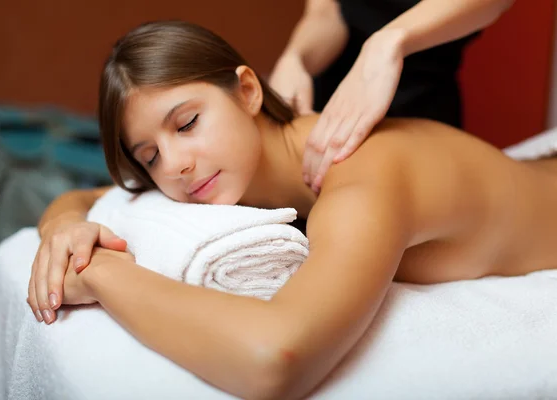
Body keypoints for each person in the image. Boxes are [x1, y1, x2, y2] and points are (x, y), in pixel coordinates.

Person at [28, 21, 556, 400]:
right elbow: (86, 196)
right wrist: (64, 228)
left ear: (249, 91)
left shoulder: (362, 181)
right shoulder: (249, 168)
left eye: (187, 124)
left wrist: (100, 276)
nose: (177, 166)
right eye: (151, 156)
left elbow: (274, 360)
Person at [269, 0, 515, 192]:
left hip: (422, 104)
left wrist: (388, 44)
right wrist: (296, 57)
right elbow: (329, 12)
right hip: (336, 98)